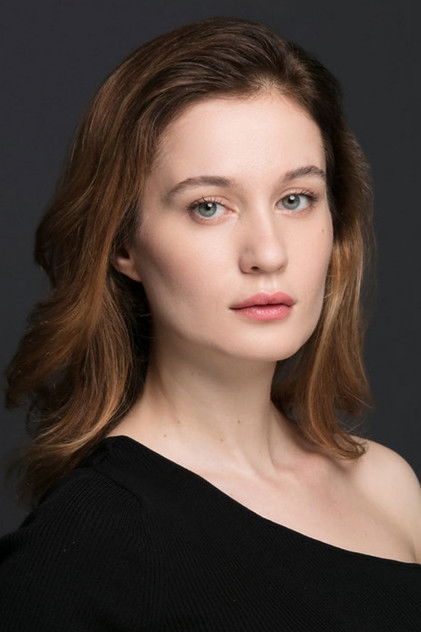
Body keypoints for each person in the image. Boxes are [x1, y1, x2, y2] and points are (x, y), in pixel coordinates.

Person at [1, 15, 420, 631]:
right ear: (124, 243)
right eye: (208, 207)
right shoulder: (78, 554)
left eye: (296, 199)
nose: (267, 253)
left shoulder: (387, 487)